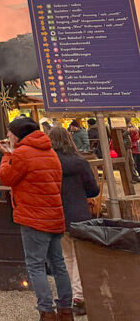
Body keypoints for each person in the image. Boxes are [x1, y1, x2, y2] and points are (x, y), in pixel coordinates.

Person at [0, 117, 72, 321]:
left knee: (36, 265)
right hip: (54, 215)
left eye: (10, 133)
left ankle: (46, 311)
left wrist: (6, 155)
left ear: (18, 134)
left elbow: (6, 177)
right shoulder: (50, 153)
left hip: (33, 217)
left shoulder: (22, 154)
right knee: (58, 264)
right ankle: (66, 309)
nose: (8, 136)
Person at [48, 125, 98, 317]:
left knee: (65, 256)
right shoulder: (80, 162)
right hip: (78, 215)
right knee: (79, 257)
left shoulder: (48, 163)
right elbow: (93, 189)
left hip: (56, 214)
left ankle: (69, 295)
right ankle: (79, 296)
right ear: (69, 139)